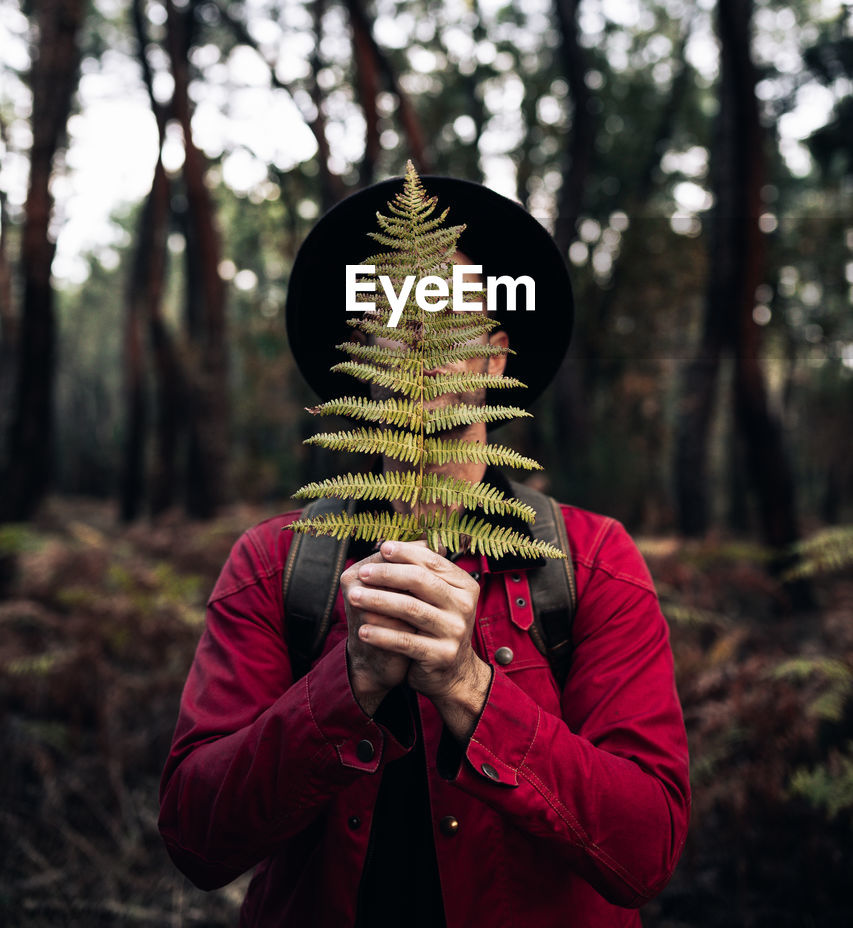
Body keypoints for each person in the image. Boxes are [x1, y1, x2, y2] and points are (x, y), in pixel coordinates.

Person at [159, 173, 690, 928]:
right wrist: (347, 688)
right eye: (392, 312)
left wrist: (472, 688)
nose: (418, 330)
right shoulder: (275, 565)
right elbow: (194, 838)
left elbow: (645, 852)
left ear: (494, 359)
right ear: (359, 357)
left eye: (447, 310)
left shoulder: (593, 562)